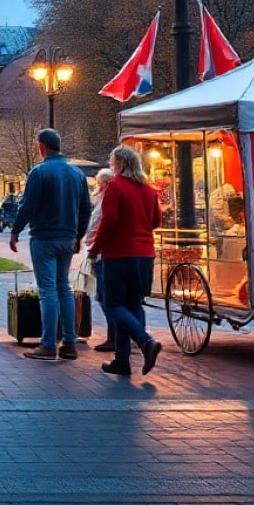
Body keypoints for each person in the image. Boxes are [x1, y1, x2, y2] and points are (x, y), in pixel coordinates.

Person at [9, 129, 92, 361]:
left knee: (47, 290)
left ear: (42, 146)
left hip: (44, 236)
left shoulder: (39, 172)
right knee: (63, 287)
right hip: (67, 237)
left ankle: (48, 344)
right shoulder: (77, 173)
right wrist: (79, 235)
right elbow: (86, 208)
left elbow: (28, 206)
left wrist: (15, 231)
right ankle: (69, 342)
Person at [88, 145, 164, 377]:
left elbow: (109, 221)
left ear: (120, 163)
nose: (112, 166)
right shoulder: (148, 190)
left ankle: (145, 342)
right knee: (133, 304)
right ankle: (122, 361)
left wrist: (95, 248)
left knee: (113, 304)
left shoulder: (115, 186)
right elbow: (156, 221)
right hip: (145, 255)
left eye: (113, 162)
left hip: (119, 254)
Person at [78, 168, 116, 353]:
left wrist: (90, 245)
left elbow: (98, 224)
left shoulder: (105, 200)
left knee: (104, 295)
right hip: (108, 251)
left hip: (102, 252)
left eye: (100, 183)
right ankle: (121, 336)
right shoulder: (105, 199)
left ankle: (116, 336)